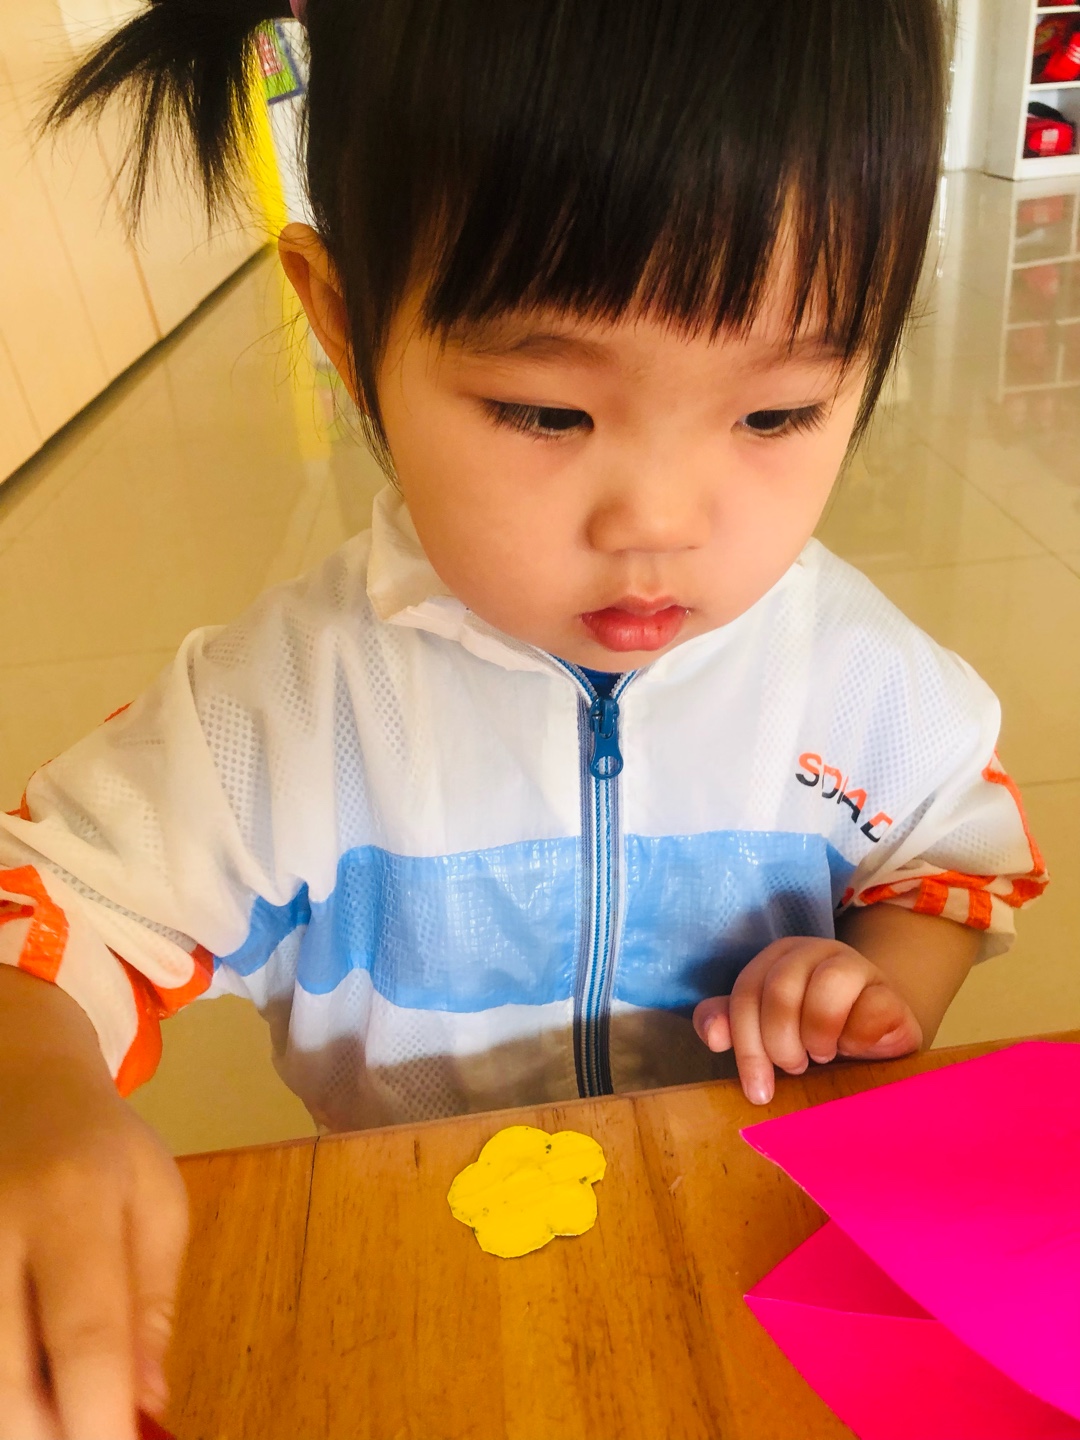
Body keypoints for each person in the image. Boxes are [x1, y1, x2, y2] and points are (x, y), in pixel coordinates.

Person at [0, 0, 1048, 1435]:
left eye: (778, 413)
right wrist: (30, 1094)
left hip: (753, 1248)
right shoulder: (287, 707)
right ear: (345, 327)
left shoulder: (862, 674)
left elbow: (951, 856)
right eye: (547, 412)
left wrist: (881, 988)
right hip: (429, 1281)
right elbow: (51, 906)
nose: (660, 524)